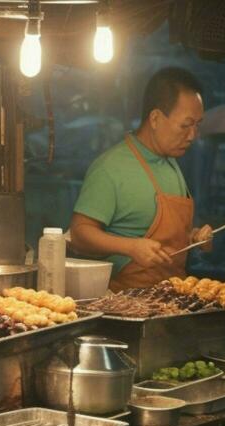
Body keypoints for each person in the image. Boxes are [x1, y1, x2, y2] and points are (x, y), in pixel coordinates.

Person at [69, 67, 215, 290]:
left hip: (174, 296)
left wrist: (193, 238)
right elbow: (80, 233)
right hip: (125, 302)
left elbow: (168, 237)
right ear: (155, 118)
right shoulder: (111, 167)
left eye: (197, 125)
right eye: (185, 125)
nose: (192, 135)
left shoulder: (171, 163)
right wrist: (130, 247)